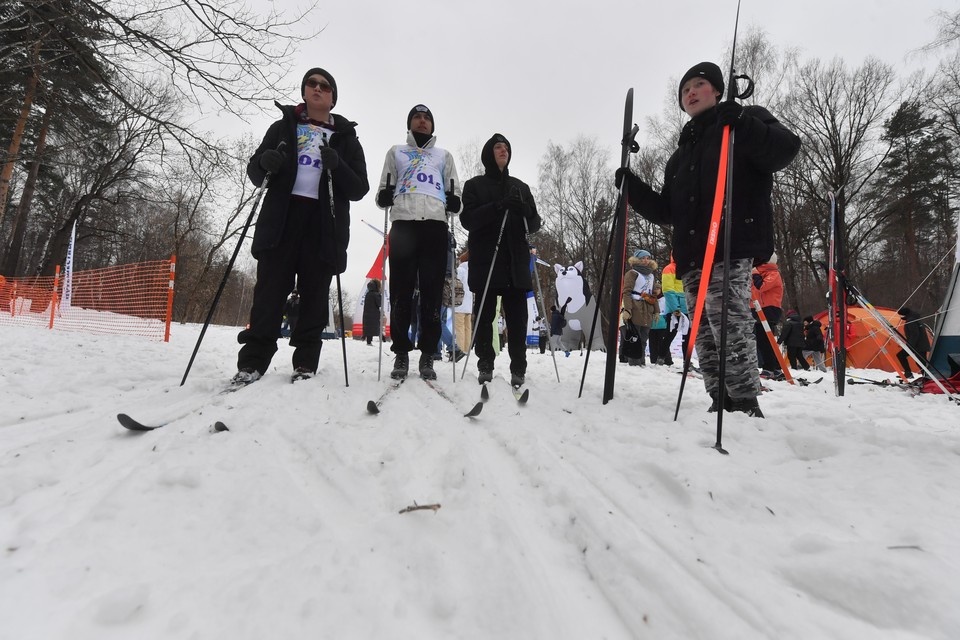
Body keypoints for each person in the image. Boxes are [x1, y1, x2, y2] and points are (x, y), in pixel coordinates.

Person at [615, 61, 800, 417]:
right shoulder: (680, 156)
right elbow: (668, 210)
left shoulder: (741, 123)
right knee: (703, 330)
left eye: (699, 85)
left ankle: (744, 401)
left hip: (731, 243)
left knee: (727, 320)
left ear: (717, 90)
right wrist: (632, 188)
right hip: (692, 254)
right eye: (685, 90)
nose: (691, 92)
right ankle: (721, 398)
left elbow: (784, 150)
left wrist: (743, 123)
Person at [234, 67, 369, 384]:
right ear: (304, 91)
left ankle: (305, 362)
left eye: (325, 86)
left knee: (315, 294)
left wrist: (338, 166)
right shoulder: (283, 127)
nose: (318, 89)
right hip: (283, 216)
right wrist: (265, 161)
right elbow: (256, 175)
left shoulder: (347, 140)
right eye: (312, 84)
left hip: (324, 221)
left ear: (333, 98)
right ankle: (252, 362)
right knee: (269, 292)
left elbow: (359, 189)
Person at [376, 105, 461, 380]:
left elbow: (454, 189)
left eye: (427, 118)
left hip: (434, 225)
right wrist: (384, 197)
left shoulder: (443, 155)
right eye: (417, 117)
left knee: (432, 292)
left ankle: (428, 354)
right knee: (401, 291)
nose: (422, 121)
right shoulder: (396, 151)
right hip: (403, 223)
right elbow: (382, 190)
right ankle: (401, 352)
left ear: (432, 126)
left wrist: (456, 201)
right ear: (410, 123)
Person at [460, 133, 542, 386]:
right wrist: (498, 206)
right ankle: (485, 362)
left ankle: (518, 365)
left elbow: (534, 223)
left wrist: (524, 209)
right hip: (487, 260)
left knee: (518, 319)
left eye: (506, 147)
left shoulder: (521, 186)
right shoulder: (475, 186)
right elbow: (468, 220)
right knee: (485, 316)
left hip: (515, 262)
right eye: (498, 147)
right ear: (488, 152)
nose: (503, 150)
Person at [621, 250, 659, 366]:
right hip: (636, 306)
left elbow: (653, 294)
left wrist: (656, 310)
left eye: (647, 258)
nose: (645, 260)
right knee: (634, 336)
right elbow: (626, 292)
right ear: (637, 259)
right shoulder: (632, 273)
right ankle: (634, 361)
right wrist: (627, 309)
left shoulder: (651, 275)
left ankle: (641, 361)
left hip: (648, 307)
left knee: (644, 337)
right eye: (643, 258)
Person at [751, 257, 784, 379]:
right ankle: (775, 367)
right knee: (763, 340)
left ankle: (770, 368)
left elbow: (761, 287)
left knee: (766, 340)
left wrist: (754, 273)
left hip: (769, 309)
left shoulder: (773, 274)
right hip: (758, 308)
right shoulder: (759, 274)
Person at [897, 307, 930, 379]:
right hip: (919, 345)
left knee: (920, 362)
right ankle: (909, 373)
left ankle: (927, 376)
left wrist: (910, 346)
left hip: (918, 346)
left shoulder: (911, 321)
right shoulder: (915, 318)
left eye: (901, 315)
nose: (901, 317)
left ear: (905, 314)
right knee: (920, 362)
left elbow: (915, 334)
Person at [362, 280, 381, 345]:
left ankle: (368, 340)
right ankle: (371, 341)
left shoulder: (368, 294)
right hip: (374, 314)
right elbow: (379, 304)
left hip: (367, 314)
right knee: (374, 327)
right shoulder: (376, 294)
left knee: (368, 327)